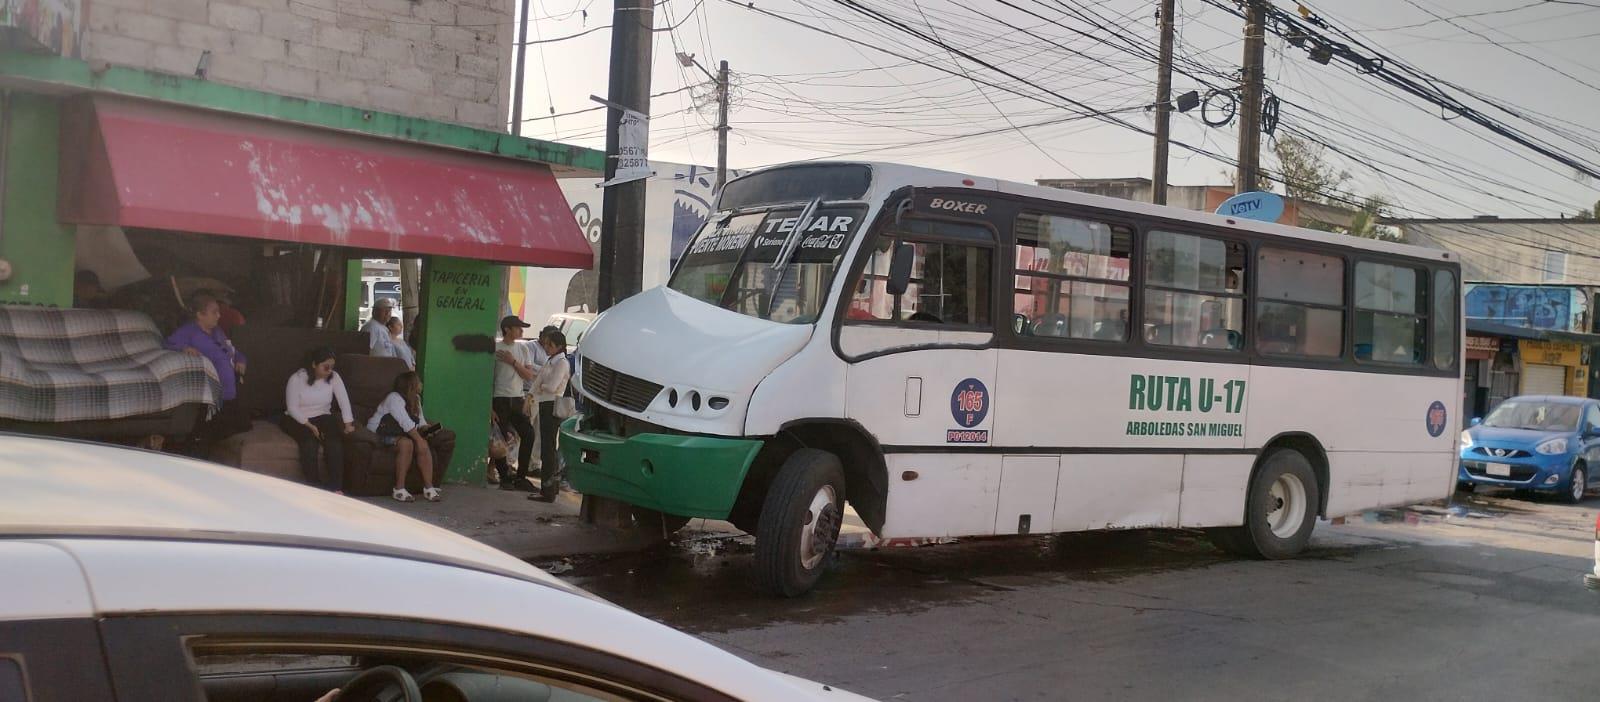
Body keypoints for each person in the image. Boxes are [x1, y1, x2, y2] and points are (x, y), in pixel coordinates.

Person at [165, 291, 251, 441]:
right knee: (207, 433)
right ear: (200, 315)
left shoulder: (218, 331)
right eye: (214, 312)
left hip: (231, 393)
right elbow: (168, 344)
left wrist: (241, 360)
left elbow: (232, 350)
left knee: (243, 426)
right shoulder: (189, 331)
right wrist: (184, 348)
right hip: (210, 395)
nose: (219, 316)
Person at [281, 347, 355, 492]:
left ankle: (335, 487)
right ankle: (314, 487)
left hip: (322, 415)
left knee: (334, 442)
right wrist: (310, 426)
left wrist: (348, 424)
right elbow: (292, 408)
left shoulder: (334, 377)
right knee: (309, 443)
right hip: (298, 417)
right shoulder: (297, 378)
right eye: (325, 367)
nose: (329, 371)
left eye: (332, 367)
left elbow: (343, 401)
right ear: (314, 364)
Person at [367, 371, 441, 502]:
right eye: (418, 382)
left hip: (401, 432)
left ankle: (429, 488)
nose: (421, 384)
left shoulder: (416, 399)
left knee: (422, 444)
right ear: (410, 385)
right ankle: (399, 489)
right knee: (408, 443)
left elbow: (421, 421)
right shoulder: (394, 398)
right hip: (380, 433)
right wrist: (418, 439)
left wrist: (428, 429)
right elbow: (404, 422)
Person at [491, 315, 538, 491]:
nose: (521, 331)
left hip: (517, 398)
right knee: (501, 438)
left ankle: (521, 476)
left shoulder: (523, 349)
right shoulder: (496, 348)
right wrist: (490, 407)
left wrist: (513, 362)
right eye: (518, 328)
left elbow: (529, 376)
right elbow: (487, 379)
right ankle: (504, 477)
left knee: (529, 434)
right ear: (507, 329)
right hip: (499, 399)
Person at [528, 329, 572, 503]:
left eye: (550, 345)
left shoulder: (561, 362)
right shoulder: (551, 360)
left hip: (552, 405)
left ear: (559, 346)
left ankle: (547, 490)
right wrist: (536, 390)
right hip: (545, 404)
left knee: (548, 448)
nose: (546, 347)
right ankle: (548, 488)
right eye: (545, 344)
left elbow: (552, 386)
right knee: (547, 447)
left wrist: (540, 387)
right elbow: (539, 381)